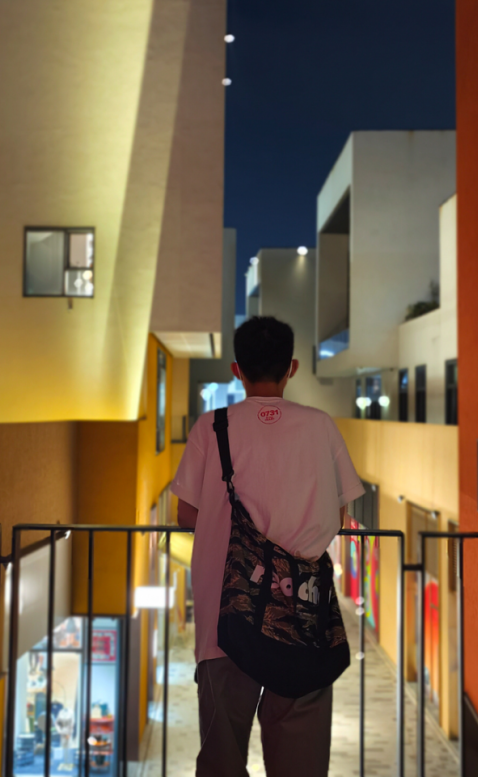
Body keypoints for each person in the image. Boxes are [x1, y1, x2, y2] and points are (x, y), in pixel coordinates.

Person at [171, 316, 365, 777]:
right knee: (300, 764)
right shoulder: (321, 427)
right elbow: (338, 515)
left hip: (226, 617)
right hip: (301, 615)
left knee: (221, 762)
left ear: (237, 370)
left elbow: (186, 515)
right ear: (291, 368)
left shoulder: (212, 426)